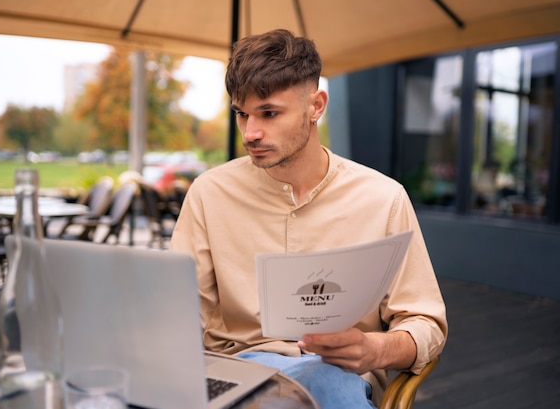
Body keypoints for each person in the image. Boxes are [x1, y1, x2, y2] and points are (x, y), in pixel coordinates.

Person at [170, 29, 447, 409]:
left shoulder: (383, 198)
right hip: (241, 373)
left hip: (341, 377)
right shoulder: (209, 193)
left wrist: (375, 349)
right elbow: (177, 310)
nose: (250, 133)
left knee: (327, 379)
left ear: (316, 106)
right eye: (241, 114)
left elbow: (425, 322)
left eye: (269, 113)